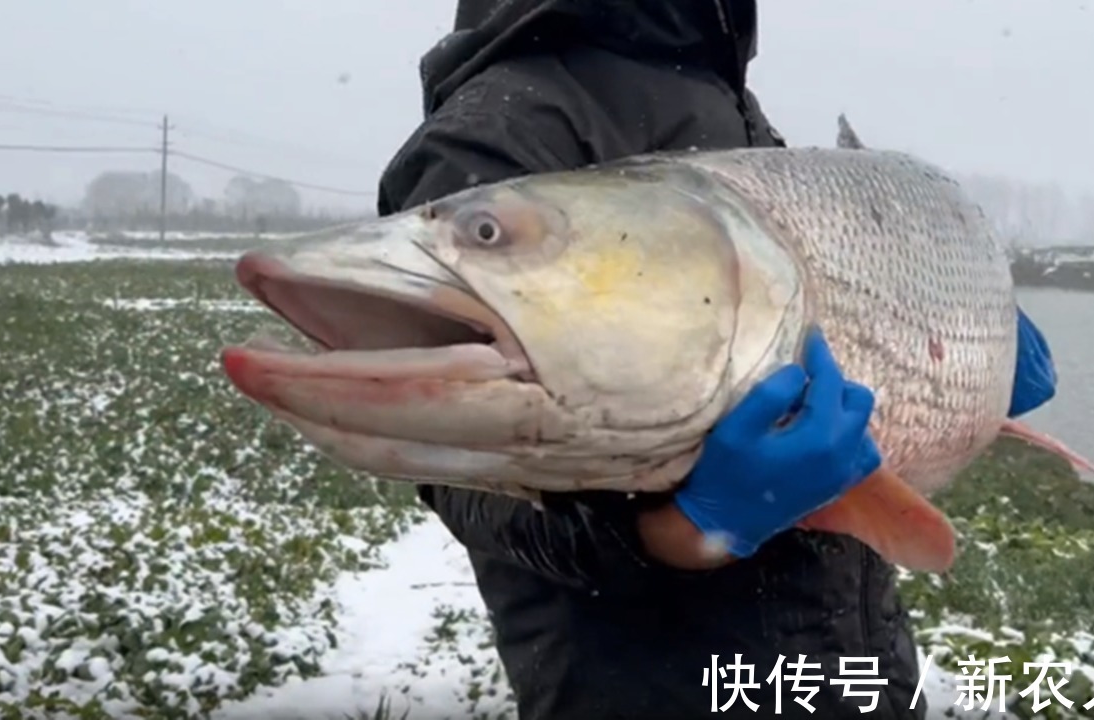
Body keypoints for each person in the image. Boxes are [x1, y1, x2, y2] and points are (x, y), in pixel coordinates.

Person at [376, 2, 1059, 718]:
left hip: (849, 655)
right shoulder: (498, 126)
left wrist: (964, 339)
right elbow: (454, 451)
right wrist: (673, 529)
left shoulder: (733, 105)